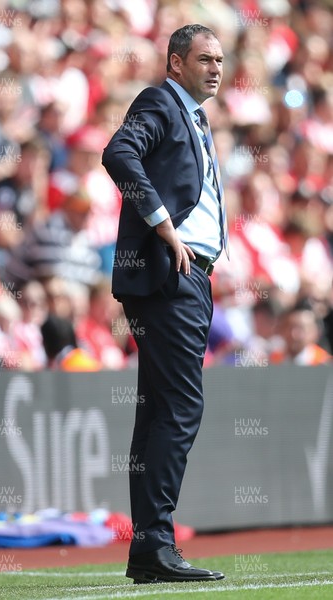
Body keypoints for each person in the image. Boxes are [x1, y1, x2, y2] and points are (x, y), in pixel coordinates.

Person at [102, 24, 228, 584]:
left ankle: (148, 547)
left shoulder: (196, 118)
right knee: (180, 407)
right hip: (169, 273)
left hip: (187, 278)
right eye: (204, 58)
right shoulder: (159, 100)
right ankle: (156, 540)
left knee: (157, 409)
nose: (217, 68)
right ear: (175, 64)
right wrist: (164, 226)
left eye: (221, 60)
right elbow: (118, 152)